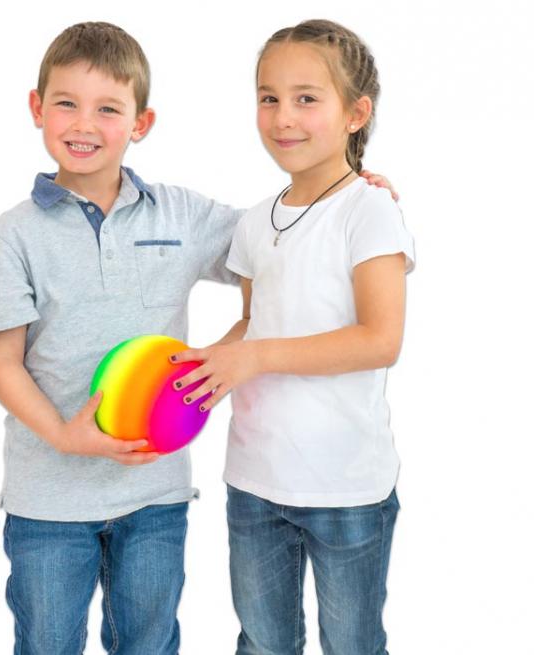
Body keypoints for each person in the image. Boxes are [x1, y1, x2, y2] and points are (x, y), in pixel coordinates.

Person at [0, 19, 396, 655]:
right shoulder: (11, 237)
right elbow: (0, 362)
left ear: (140, 123)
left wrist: (351, 192)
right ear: (37, 109)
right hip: (49, 500)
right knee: (47, 643)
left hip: (156, 495)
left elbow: (285, 238)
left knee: (149, 643)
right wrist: (64, 435)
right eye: (66, 104)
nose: (84, 124)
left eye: (108, 108)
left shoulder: (183, 215)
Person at [170, 19, 415, 655]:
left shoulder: (369, 209)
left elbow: (380, 339)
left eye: (307, 98)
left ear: (356, 113)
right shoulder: (256, 221)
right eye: (269, 97)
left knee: (353, 645)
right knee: (263, 643)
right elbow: (256, 321)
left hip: (346, 488)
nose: (283, 117)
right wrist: (209, 364)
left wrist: (256, 356)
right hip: (255, 481)